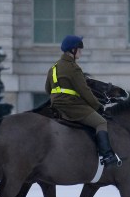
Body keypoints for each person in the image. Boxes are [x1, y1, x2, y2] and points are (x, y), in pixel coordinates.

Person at [45, 35, 121, 167]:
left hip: (55, 105)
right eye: (80, 49)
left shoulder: (54, 68)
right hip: (72, 106)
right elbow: (84, 91)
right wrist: (98, 106)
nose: (81, 52)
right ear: (73, 50)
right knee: (101, 122)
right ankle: (107, 156)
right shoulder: (74, 68)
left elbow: (47, 89)